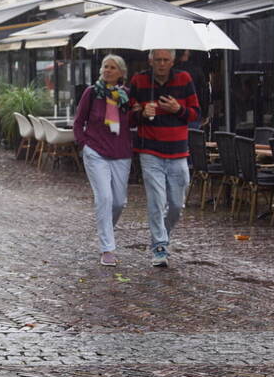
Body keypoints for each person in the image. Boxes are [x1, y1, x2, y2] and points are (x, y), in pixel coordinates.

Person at [130, 48, 200, 268]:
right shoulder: (140, 80)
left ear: (172, 62)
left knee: (177, 204)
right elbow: (129, 116)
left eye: (166, 60)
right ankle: (159, 247)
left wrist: (178, 109)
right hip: (150, 151)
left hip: (178, 151)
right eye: (157, 59)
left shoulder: (184, 79)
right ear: (150, 61)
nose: (161, 64)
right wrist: (142, 113)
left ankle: (163, 236)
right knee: (156, 201)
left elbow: (195, 113)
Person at [72, 55, 135, 267]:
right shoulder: (91, 93)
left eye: (113, 68)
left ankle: (106, 227)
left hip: (121, 152)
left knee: (119, 202)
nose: (107, 70)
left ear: (121, 73)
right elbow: (79, 121)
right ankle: (107, 248)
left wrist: (142, 112)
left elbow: (135, 122)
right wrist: (84, 144)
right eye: (105, 67)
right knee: (105, 198)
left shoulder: (127, 96)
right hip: (96, 151)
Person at [175, 49, 210, 129]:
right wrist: (205, 113)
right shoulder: (197, 70)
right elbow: (203, 93)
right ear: (187, 52)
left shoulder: (172, 70)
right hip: (193, 110)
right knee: (193, 138)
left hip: (176, 110)